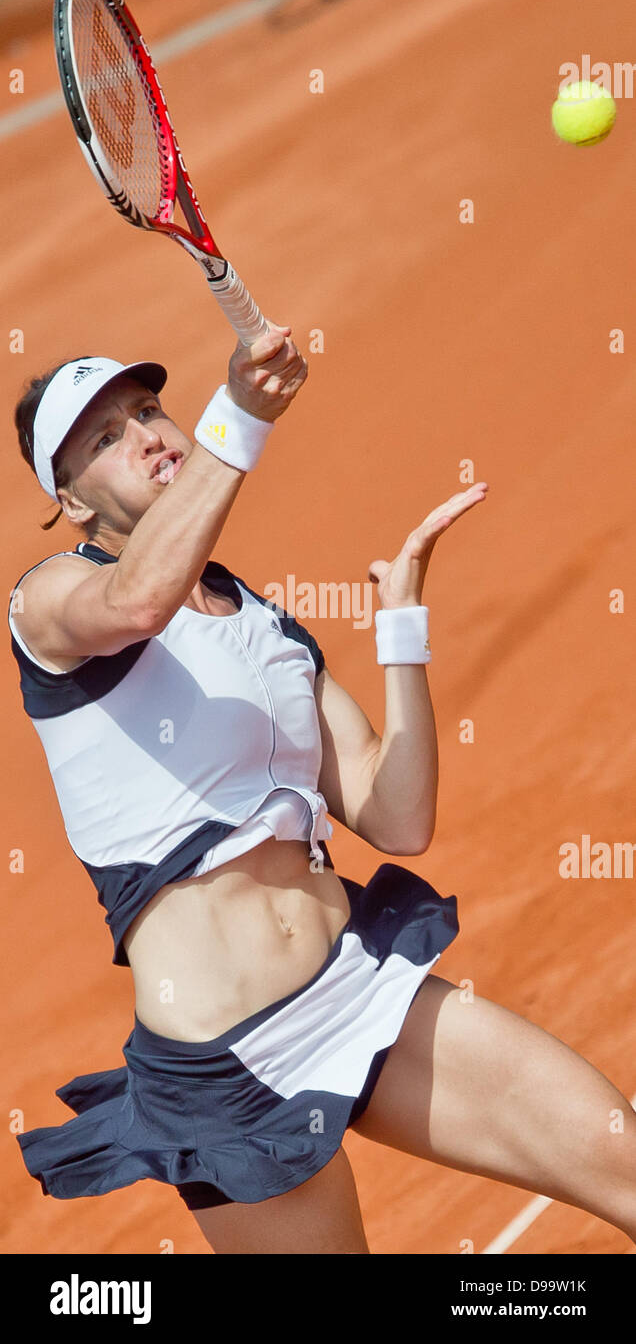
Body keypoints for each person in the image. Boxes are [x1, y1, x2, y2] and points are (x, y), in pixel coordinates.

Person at [9, 327, 636, 1255]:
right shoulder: (51, 598)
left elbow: (398, 815)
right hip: (227, 1077)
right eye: (103, 439)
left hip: (358, 992)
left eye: (145, 410)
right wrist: (244, 421)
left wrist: (402, 636)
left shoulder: (264, 628)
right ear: (69, 502)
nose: (143, 434)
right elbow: (139, 605)